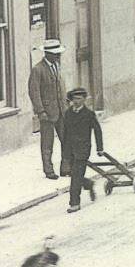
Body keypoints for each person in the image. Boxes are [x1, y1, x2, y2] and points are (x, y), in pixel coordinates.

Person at [28, 38, 70, 179]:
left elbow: (61, 87)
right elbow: (34, 92)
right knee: (47, 143)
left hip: (61, 111)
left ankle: (65, 168)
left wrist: (66, 103)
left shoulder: (57, 66)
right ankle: (49, 170)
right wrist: (41, 111)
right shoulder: (38, 70)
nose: (58, 56)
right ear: (47, 54)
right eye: (55, 54)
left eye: (58, 53)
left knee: (66, 139)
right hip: (47, 113)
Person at [61, 87, 101, 214]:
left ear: (84, 100)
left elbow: (97, 131)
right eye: (74, 99)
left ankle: (74, 203)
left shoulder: (89, 114)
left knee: (76, 177)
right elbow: (65, 132)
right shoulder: (68, 114)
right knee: (70, 173)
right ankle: (88, 184)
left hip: (83, 150)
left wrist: (100, 148)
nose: (76, 101)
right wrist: (64, 150)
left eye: (79, 99)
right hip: (69, 149)